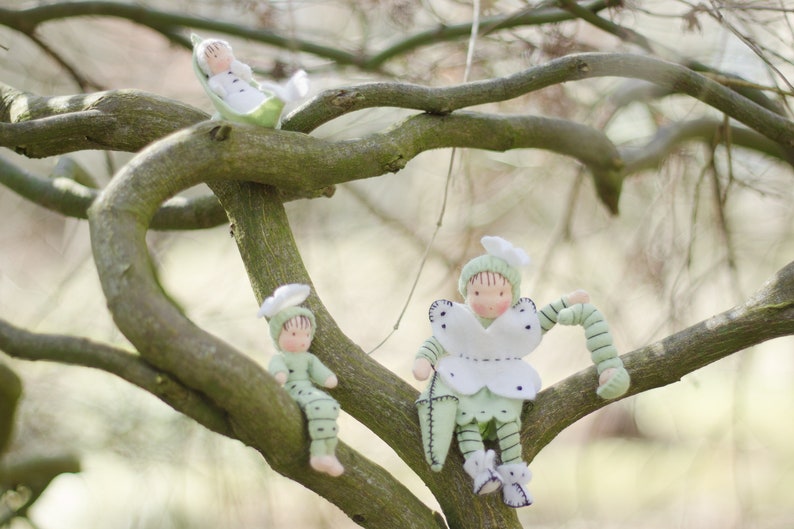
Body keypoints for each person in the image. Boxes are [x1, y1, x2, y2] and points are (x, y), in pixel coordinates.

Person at [259, 284, 344, 477]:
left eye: (306, 334)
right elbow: (277, 370)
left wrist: (328, 378)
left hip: (308, 389)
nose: (302, 339)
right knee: (317, 406)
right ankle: (318, 454)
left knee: (329, 405)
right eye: (294, 334)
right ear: (278, 335)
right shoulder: (280, 358)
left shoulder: (308, 358)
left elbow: (320, 372)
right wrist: (280, 375)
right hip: (294, 391)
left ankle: (330, 454)